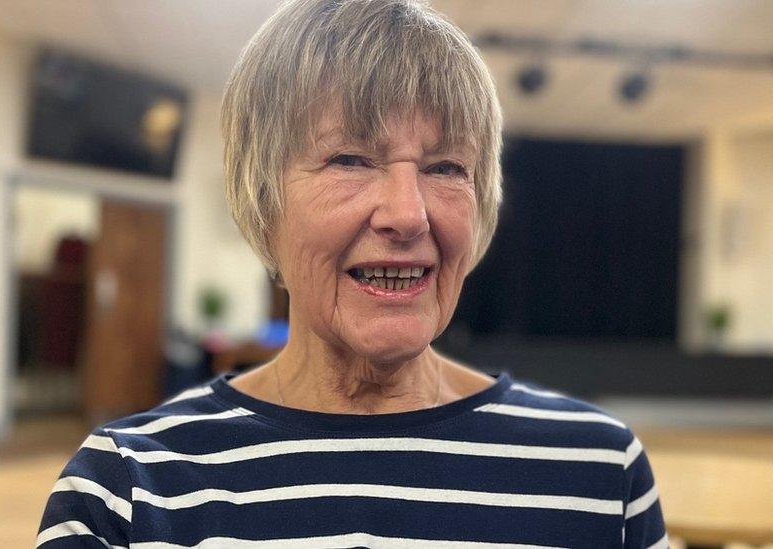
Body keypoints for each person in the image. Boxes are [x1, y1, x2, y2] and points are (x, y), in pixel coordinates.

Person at [36, 0, 668, 547]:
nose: (407, 214)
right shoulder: (123, 493)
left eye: (446, 167)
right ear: (263, 201)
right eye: (349, 159)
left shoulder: (601, 476)